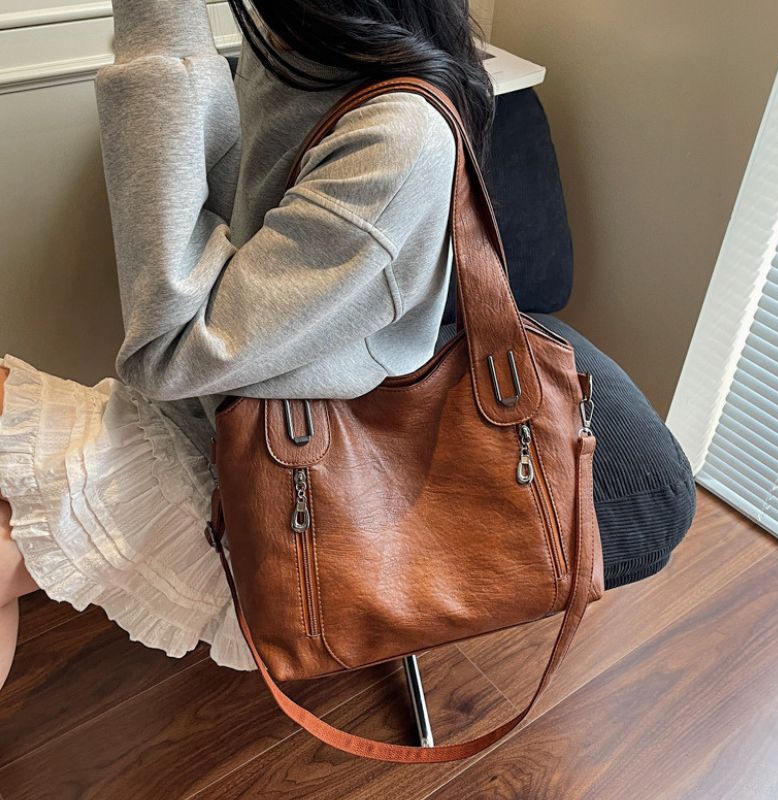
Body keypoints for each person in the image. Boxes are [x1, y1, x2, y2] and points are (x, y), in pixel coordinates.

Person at [0, 0, 494, 686]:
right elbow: (226, 220)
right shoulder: (296, 41)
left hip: (283, 486)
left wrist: (157, 22)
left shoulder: (401, 137)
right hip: (214, 411)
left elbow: (168, 351)